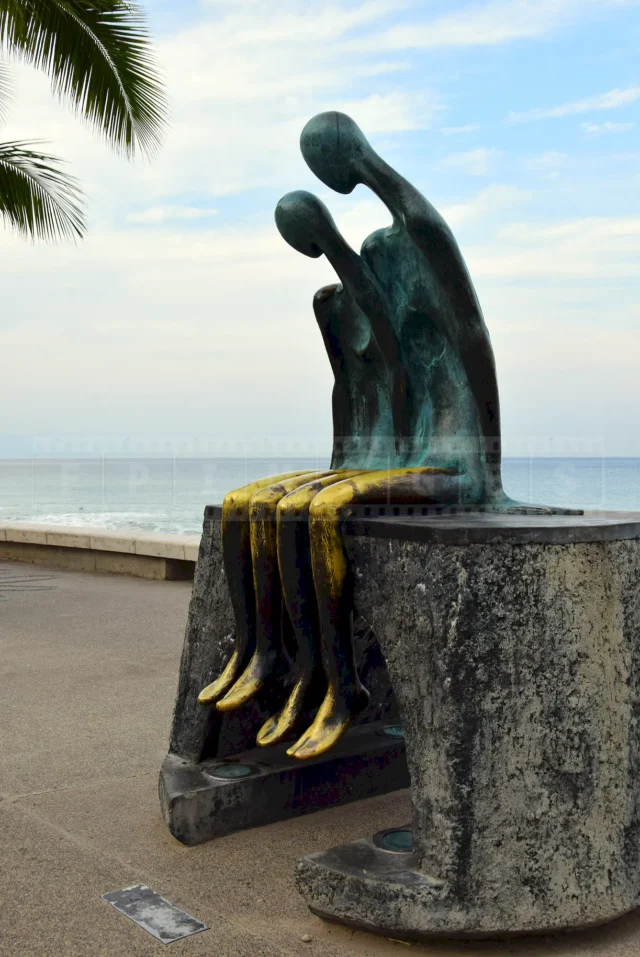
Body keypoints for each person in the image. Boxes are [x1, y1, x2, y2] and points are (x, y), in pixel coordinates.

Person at [199, 112, 556, 760]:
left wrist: (491, 471)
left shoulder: (417, 250)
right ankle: (269, 657)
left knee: (327, 506)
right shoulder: (341, 295)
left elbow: (459, 344)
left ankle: (343, 687)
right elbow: (355, 383)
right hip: (396, 457)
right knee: (248, 504)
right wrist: (341, 461)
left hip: (451, 466)